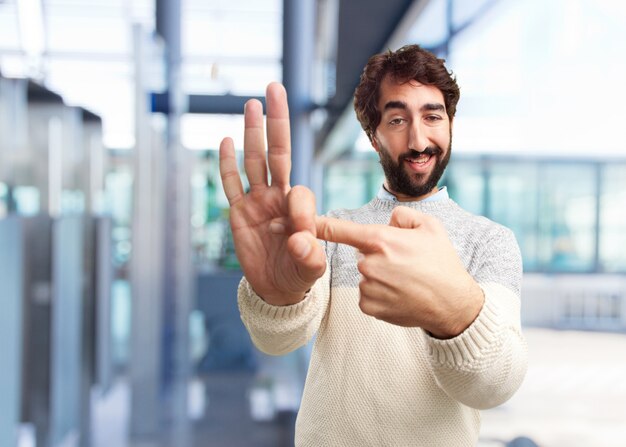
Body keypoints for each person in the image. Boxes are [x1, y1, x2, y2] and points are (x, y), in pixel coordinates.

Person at [219, 44, 528, 446]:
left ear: (450, 123)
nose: (418, 140)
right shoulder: (332, 231)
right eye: (397, 119)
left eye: (432, 116)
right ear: (372, 135)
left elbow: (496, 384)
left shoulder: (491, 242)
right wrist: (277, 296)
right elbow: (278, 341)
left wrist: (455, 312)